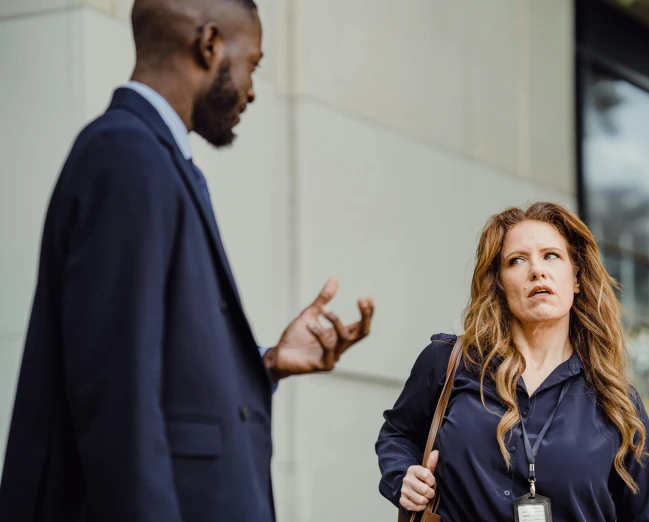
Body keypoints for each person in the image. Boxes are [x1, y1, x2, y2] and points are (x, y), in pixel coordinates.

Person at [0, 0, 374, 521]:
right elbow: (120, 403)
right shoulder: (126, 156)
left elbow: (152, 367)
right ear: (208, 44)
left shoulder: (149, 157)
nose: (252, 89)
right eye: (253, 63)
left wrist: (263, 363)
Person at [376, 202, 649, 522]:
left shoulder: (617, 401)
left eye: (551, 256)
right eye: (517, 260)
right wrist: (403, 478)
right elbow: (397, 434)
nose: (536, 270)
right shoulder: (449, 362)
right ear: (501, 284)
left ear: (575, 277)